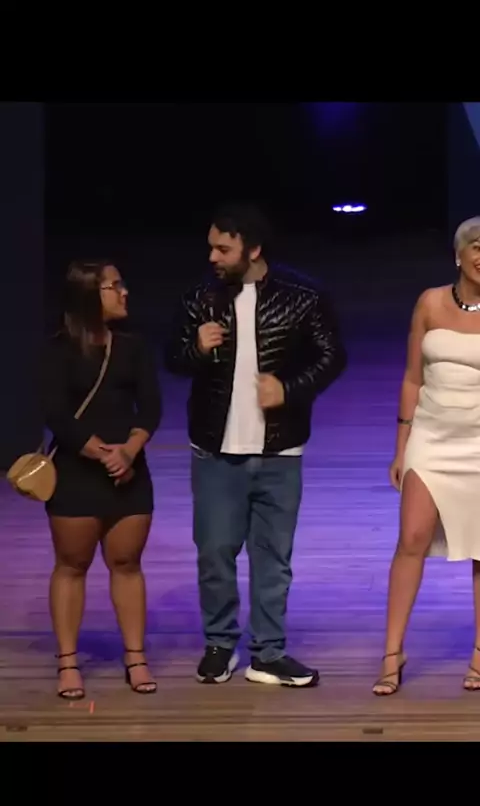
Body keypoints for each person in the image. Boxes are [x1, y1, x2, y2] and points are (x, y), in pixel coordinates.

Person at [165, 203, 347, 687]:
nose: (213, 257)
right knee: (215, 553)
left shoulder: (303, 296)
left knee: (272, 558)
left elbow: (332, 356)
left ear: (253, 249)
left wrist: (289, 388)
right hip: (215, 451)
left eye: (223, 248)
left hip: (279, 450)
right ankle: (219, 645)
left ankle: (268, 652)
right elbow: (173, 359)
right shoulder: (200, 299)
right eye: (211, 247)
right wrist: (196, 348)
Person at [43, 260, 162, 699]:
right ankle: (68, 662)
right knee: (71, 566)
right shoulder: (57, 350)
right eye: (115, 286)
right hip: (77, 473)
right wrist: (99, 451)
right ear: (89, 296)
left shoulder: (133, 347)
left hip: (129, 472)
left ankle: (136, 658)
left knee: (127, 564)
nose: (124, 292)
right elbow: (55, 412)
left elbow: (151, 406)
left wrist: (129, 450)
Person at [373, 216, 480, 696]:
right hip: (431, 438)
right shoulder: (430, 302)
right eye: (476, 246)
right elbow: (412, 377)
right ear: (458, 254)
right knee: (412, 537)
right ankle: (392, 652)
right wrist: (402, 446)